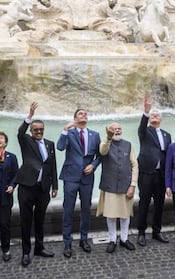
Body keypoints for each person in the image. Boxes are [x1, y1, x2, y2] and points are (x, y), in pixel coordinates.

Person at [15, 102, 58, 267]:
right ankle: (26, 252)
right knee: (26, 220)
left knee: (40, 220)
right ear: (31, 131)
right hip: (26, 187)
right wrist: (29, 116)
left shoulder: (50, 144)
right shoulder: (26, 141)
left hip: (43, 189)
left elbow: (52, 165)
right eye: (36, 130)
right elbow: (20, 132)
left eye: (41, 129)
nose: (39, 132)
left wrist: (54, 186)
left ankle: (39, 247)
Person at [57, 108, 101, 258]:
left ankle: (84, 239)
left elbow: (100, 156)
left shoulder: (95, 135)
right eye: (80, 114)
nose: (84, 115)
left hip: (87, 178)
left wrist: (94, 165)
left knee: (86, 210)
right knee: (68, 210)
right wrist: (65, 129)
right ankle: (67, 243)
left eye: (85, 114)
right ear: (75, 118)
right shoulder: (69, 133)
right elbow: (60, 147)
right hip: (70, 176)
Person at [96, 123, 138, 253]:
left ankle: (124, 239)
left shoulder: (128, 144)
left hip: (126, 186)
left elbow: (134, 165)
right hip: (110, 186)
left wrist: (133, 185)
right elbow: (103, 151)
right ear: (109, 131)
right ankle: (112, 239)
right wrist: (108, 138)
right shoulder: (104, 143)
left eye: (119, 129)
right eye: (114, 129)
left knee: (125, 215)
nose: (117, 131)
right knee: (111, 215)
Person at [136, 97, 171, 246]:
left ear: (161, 119)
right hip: (146, 173)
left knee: (159, 204)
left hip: (161, 175)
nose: (155, 116)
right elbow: (142, 126)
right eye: (153, 115)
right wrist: (146, 111)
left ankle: (157, 231)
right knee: (144, 203)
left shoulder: (167, 135)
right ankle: (141, 232)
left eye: (157, 115)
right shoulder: (144, 132)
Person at [0, 131, 18, 262]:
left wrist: (12, 185)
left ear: (5, 143)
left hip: (5, 197)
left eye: (2, 139)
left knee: (4, 224)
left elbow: (16, 174)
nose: (0, 140)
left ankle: (6, 250)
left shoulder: (11, 157)